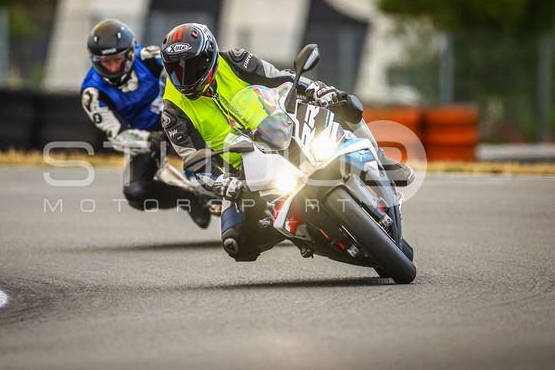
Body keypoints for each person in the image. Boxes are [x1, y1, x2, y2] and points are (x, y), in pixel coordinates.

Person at [159, 22, 415, 261]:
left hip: (279, 127)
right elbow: (196, 161)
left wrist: (315, 89)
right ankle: (298, 232)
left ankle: (382, 160)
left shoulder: (234, 60)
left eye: (191, 66)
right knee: (236, 243)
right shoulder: (172, 112)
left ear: (209, 57)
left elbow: (280, 77)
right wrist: (222, 183)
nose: (184, 76)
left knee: (343, 102)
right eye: (175, 69)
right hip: (241, 170)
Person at [80, 19, 211, 228]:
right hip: (144, 134)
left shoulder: (152, 58)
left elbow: (189, 79)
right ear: (95, 60)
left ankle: (223, 173)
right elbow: (118, 135)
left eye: (118, 60)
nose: (113, 68)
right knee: (136, 192)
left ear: (130, 53)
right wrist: (150, 139)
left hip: (178, 115)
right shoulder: (93, 93)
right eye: (106, 62)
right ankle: (188, 197)